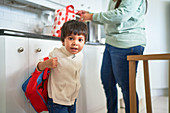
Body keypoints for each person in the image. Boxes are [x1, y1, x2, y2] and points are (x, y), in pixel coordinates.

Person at [77, 0, 148, 113]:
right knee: (107, 81)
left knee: (127, 86)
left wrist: (92, 16)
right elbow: (112, 18)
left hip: (127, 43)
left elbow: (121, 15)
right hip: (112, 43)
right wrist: (90, 16)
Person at [37, 20, 88, 113]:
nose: (75, 43)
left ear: (84, 42)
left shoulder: (80, 55)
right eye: (71, 38)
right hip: (57, 101)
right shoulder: (56, 53)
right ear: (63, 41)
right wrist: (46, 63)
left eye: (80, 40)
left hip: (72, 99)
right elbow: (39, 66)